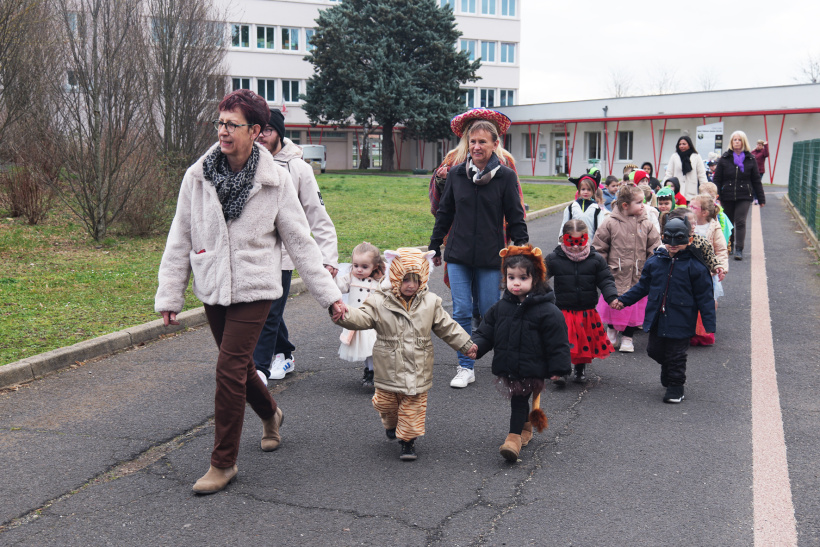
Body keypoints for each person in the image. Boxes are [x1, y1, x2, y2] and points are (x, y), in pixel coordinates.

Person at [155, 90, 346, 494]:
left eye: (232, 124)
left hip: (257, 286)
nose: (223, 131)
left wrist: (330, 297)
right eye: (220, 123)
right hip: (212, 285)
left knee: (227, 369)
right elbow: (180, 236)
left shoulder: (276, 180)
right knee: (239, 367)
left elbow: (301, 242)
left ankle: (223, 463)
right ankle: (271, 413)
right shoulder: (197, 176)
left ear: (256, 131)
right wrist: (170, 294)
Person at [333, 248, 477, 461]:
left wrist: (465, 344)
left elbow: (447, 326)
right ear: (394, 276)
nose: (411, 285)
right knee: (386, 404)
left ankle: (407, 441)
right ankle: (391, 423)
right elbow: (362, 317)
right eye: (406, 279)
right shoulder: (379, 300)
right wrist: (342, 314)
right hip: (387, 368)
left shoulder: (430, 302)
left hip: (418, 367)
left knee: (412, 407)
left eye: (416, 280)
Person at [429, 116, 528, 389]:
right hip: (458, 254)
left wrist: (522, 248)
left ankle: (505, 361)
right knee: (461, 311)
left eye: (482, 142)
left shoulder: (506, 176)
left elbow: (516, 215)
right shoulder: (456, 174)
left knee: (490, 312)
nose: (476, 146)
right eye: (472, 141)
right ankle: (465, 366)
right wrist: (434, 244)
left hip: (489, 255)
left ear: (495, 144)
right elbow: (445, 212)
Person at [253, 108, 340, 384]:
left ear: (279, 133)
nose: (261, 136)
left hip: (284, 254)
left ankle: (265, 365)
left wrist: (329, 257)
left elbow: (317, 214)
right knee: (261, 309)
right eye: (257, 130)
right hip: (254, 252)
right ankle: (283, 352)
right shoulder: (247, 162)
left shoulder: (299, 168)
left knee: (270, 311)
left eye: (267, 130)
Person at [472, 244, 571, 462]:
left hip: (532, 367)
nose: (515, 283)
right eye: (511, 277)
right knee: (519, 399)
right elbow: (486, 331)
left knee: (518, 400)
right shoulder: (501, 307)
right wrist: (476, 347)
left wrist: (559, 369)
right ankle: (526, 426)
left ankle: (513, 439)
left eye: (523, 278)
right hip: (510, 364)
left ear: (536, 279)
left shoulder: (547, 311)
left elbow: (557, 342)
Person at [613, 218, 716, 404]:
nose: (673, 244)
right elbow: (642, 286)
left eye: (679, 239)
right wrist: (623, 300)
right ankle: (668, 368)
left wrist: (709, 323)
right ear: (662, 237)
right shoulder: (655, 262)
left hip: (682, 318)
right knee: (654, 350)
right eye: (668, 238)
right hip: (657, 317)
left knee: (677, 355)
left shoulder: (696, 267)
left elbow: (705, 297)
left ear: (689, 239)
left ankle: (676, 386)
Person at [545, 220, 617, 385]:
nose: (576, 246)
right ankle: (561, 370)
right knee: (562, 341)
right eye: (571, 241)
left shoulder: (596, 259)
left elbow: (606, 280)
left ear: (587, 238)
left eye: (580, 241)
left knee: (583, 341)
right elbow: (540, 278)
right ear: (563, 238)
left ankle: (579, 368)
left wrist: (612, 297)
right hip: (563, 309)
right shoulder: (554, 258)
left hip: (586, 309)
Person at [592, 186, 661, 353]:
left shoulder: (646, 224)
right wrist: (601, 270)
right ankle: (611, 331)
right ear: (625, 205)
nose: (643, 205)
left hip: (638, 275)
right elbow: (600, 247)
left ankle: (628, 338)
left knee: (633, 307)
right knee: (613, 303)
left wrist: (651, 268)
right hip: (615, 273)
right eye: (639, 202)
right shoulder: (610, 222)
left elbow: (654, 248)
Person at [335, 242, 384, 386]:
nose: (359, 270)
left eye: (364, 266)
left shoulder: (380, 281)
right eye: (355, 265)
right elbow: (339, 287)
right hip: (358, 321)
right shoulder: (351, 277)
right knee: (364, 348)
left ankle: (375, 372)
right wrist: (331, 276)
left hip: (375, 321)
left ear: (375, 266)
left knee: (374, 348)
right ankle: (369, 371)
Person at [712, 130, 766, 261]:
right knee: (728, 221)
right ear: (731, 142)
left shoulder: (750, 158)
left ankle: (739, 249)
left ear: (743, 142)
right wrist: (715, 195)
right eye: (734, 140)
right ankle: (729, 245)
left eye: (739, 140)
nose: (737, 142)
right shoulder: (724, 158)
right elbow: (717, 179)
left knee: (740, 221)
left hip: (744, 195)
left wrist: (761, 198)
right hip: (727, 194)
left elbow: (756, 180)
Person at [561, 169, 607, 240]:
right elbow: (564, 225)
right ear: (579, 190)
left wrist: (599, 243)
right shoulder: (571, 208)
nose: (586, 192)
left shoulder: (597, 210)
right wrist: (561, 239)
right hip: (573, 243)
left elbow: (600, 229)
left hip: (591, 243)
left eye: (589, 189)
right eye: (583, 189)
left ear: (594, 191)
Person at [664, 136, 707, 201]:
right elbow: (669, 173)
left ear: (689, 145)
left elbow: (701, 175)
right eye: (680, 144)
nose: (681, 146)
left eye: (684, 144)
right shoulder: (674, 156)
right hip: (677, 193)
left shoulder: (696, 156)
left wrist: (705, 191)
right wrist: (664, 188)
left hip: (691, 193)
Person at [698, 182, 734, 249]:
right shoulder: (696, 215)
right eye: (705, 197)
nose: (709, 200)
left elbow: (726, 236)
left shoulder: (722, 216)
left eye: (711, 197)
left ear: (716, 197)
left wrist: (725, 250)